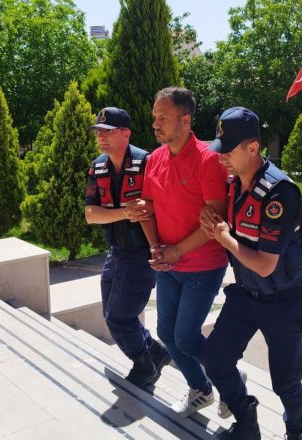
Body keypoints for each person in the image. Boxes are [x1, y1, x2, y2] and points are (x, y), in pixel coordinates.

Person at [199, 107, 302, 440]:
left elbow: (265, 263)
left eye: (229, 150)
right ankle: (246, 420)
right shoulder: (235, 184)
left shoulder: (281, 192)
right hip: (247, 295)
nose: (222, 158)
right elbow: (237, 234)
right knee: (216, 361)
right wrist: (215, 224)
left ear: (253, 148)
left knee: (286, 382)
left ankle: (298, 433)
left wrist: (224, 237)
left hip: (283, 302)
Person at [133, 87, 229, 416]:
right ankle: (201, 389)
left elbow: (214, 220)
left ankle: (230, 379)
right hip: (169, 264)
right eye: (154, 117)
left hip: (202, 265)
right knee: (165, 333)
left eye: (163, 118)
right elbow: (150, 208)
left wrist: (175, 251)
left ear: (185, 121)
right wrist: (156, 247)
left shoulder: (208, 160)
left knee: (186, 336)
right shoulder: (154, 159)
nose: (156, 124)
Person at [84, 107, 170, 388]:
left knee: (120, 318)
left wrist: (145, 212)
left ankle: (146, 366)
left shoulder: (148, 162)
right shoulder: (98, 166)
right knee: (112, 316)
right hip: (115, 252)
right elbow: (91, 214)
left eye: (107, 133)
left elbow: (168, 204)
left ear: (126, 133)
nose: (101, 137)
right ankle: (155, 352)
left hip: (142, 254)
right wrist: (126, 212)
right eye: (98, 132)